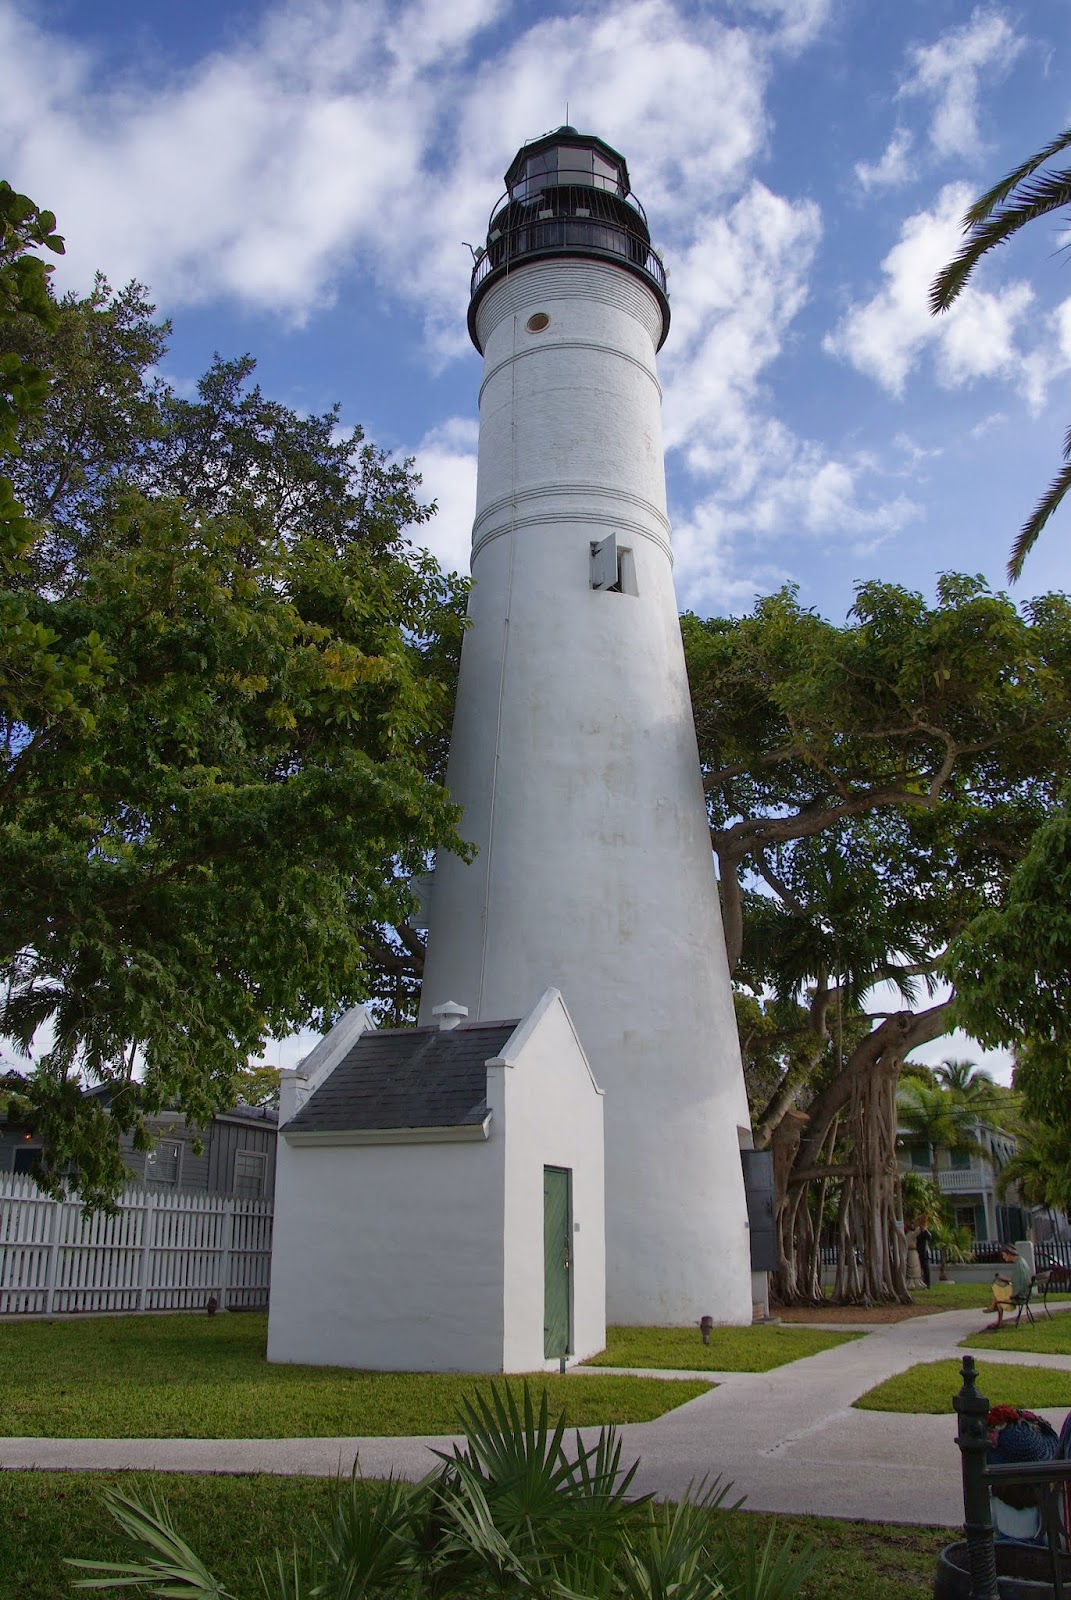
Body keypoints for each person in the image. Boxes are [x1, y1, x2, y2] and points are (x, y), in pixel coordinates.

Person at [980, 1246, 1031, 1331]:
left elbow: (1018, 1285)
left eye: (1004, 1255)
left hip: (1019, 1297)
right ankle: (994, 1310)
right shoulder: (1021, 1262)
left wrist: (1011, 1298)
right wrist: (1005, 1279)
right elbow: (1017, 1280)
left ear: (1009, 1254)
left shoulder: (1019, 1265)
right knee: (999, 1286)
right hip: (1025, 1293)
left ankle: (994, 1309)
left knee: (996, 1287)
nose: (1003, 1257)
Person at [915, 1216, 932, 1289]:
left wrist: (924, 1230)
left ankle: (927, 1284)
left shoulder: (925, 1232)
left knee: (926, 1269)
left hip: (925, 1253)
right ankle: (921, 1283)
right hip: (919, 1252)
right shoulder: (917, 1232)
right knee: (919, 1270)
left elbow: (929, 1237)